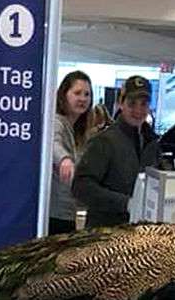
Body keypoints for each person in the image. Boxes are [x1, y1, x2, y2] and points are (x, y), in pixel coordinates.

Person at [73, 75, 161, 228]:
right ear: (121, 103)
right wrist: (126, 203)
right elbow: (81, 187)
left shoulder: (151, 143)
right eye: (132, 103)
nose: (138, 110)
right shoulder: (104, 141)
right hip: (104, 235)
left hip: (139, 234)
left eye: (144, 104)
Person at [50, 71, 93, 235]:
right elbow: (53, 143)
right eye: (77, 93)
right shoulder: (56, 122)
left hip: (67, 210)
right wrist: (64, 159)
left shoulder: (78, 130)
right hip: (55, 211)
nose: (82, 98)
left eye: (87, 94)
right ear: (64, 95)